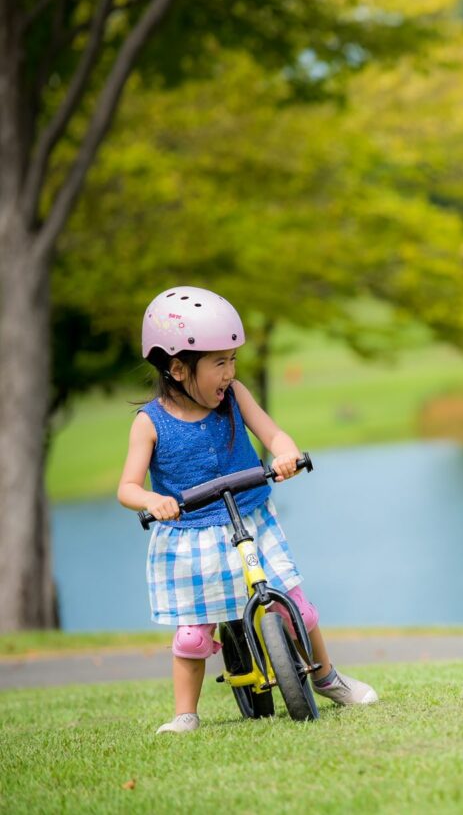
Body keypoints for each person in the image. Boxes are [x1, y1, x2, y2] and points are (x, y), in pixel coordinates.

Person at [117, 286, 377, 733]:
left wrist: (285, 455)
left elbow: (274, 435)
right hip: (191, 533)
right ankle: (185, 713)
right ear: (178, 368)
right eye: (219, 362)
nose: (230, 371)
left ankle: (327, 677)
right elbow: (127, 487)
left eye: (232, 359)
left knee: (299, 609)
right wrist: (153, 500)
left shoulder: (235, 396)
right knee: (193, 636)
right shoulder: (149, 424)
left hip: (250, 519)